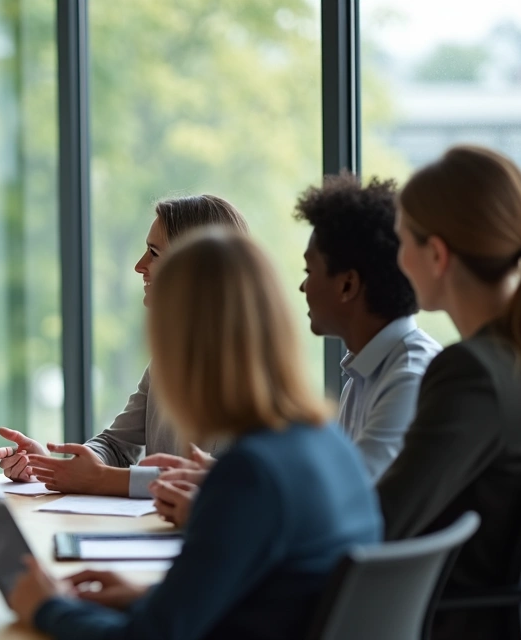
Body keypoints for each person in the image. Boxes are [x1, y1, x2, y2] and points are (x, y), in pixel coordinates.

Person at [6, 230, 382, 640]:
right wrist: (148, 596)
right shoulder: (326, 442)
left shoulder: (250, 474)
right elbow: (266, 594)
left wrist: (47, 607)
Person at [150, 173, 443, 526]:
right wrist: (221, 478)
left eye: (309, 270)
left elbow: (350, 502)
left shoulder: (409, 375)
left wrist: (217, 510)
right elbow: (326, 486)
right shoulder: (367, 371)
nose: (302, 286)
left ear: (347, 284)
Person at [379, 145, 521, 639]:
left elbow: (384, 523)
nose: (398, 259)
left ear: (436, 254)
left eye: (401, 242)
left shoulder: (472, 374)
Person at [0, 195, 248, 497]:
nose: (140, 266)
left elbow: (218, 481)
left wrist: (99, 479)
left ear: (193, 267)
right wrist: (57, 467)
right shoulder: (165, 362)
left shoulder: (247, 372)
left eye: (154, 253)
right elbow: (115, 445)